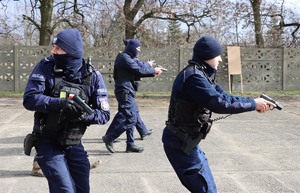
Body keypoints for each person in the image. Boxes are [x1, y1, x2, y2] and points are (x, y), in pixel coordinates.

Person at [161, 36, 275, 193]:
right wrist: (253, 104)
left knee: (210, 188)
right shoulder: (195, 78)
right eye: (217, 55)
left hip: (188, 143)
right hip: (180, 144)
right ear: (207, 56)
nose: (220, 60)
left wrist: (254, 102)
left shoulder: (201, 74)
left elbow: (225, 97)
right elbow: (219, 104)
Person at [23, 28, 110, 193]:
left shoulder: (92, 75)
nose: (52, 51)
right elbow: (30, 98)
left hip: (74, 142)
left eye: (58, 48)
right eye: (53, 47)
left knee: (82, 189)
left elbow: (104, 114)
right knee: (65, 189)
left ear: (70, 52)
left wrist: (84, 115)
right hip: (48, 141)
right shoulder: (46, 66)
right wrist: (59, 103)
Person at [102, 39, 163, 153]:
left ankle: (130, 144)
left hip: (128, 91)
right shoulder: (124, 58)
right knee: (131, 118)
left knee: (132, 115)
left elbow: (138, 69)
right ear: (132, 48)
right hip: (124, 91)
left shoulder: (129, 57)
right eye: (138, 49)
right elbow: (139, 70)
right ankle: (110, 137)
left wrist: (153, 72)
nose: (139, 51)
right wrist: (153, 69)